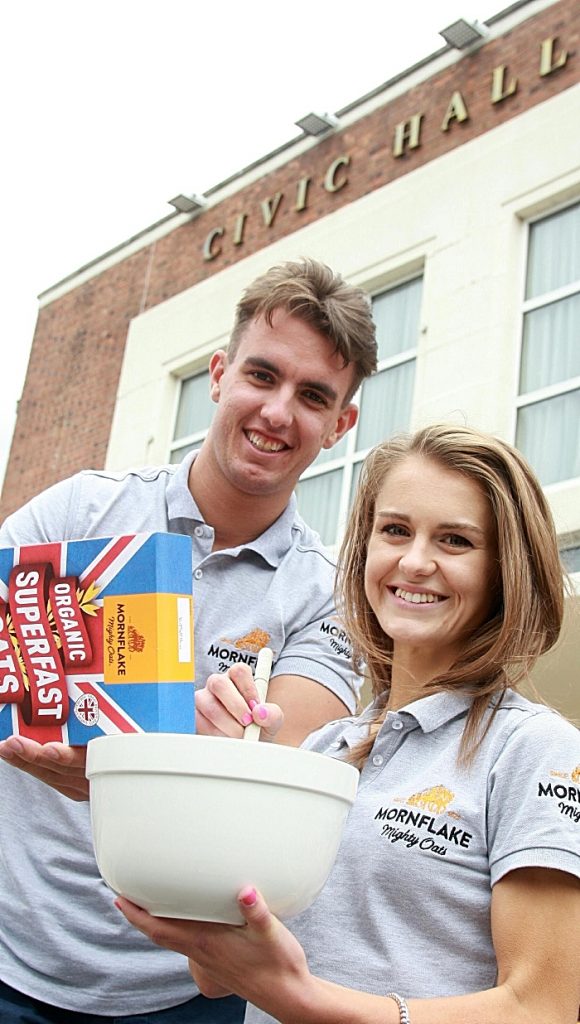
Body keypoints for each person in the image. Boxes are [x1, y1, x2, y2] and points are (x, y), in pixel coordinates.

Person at [0, 258, 378, 1023]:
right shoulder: (78, 512)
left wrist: (119, 768)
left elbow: (269, 779)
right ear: (217, 374)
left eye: (312, 397)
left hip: (180, 990)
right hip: (12, 953)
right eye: (261, 375)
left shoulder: (331, 596)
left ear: (341, 426)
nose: (277, 411)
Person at [118, 423, 580, 1024]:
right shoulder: (321, 749)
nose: (414, 562)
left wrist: (303, 1000)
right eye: (394, 531)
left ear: (505, 570)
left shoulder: (536, 750)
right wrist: (222, 784)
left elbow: (542, 1007)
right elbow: (213, 974)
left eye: (455, 541)